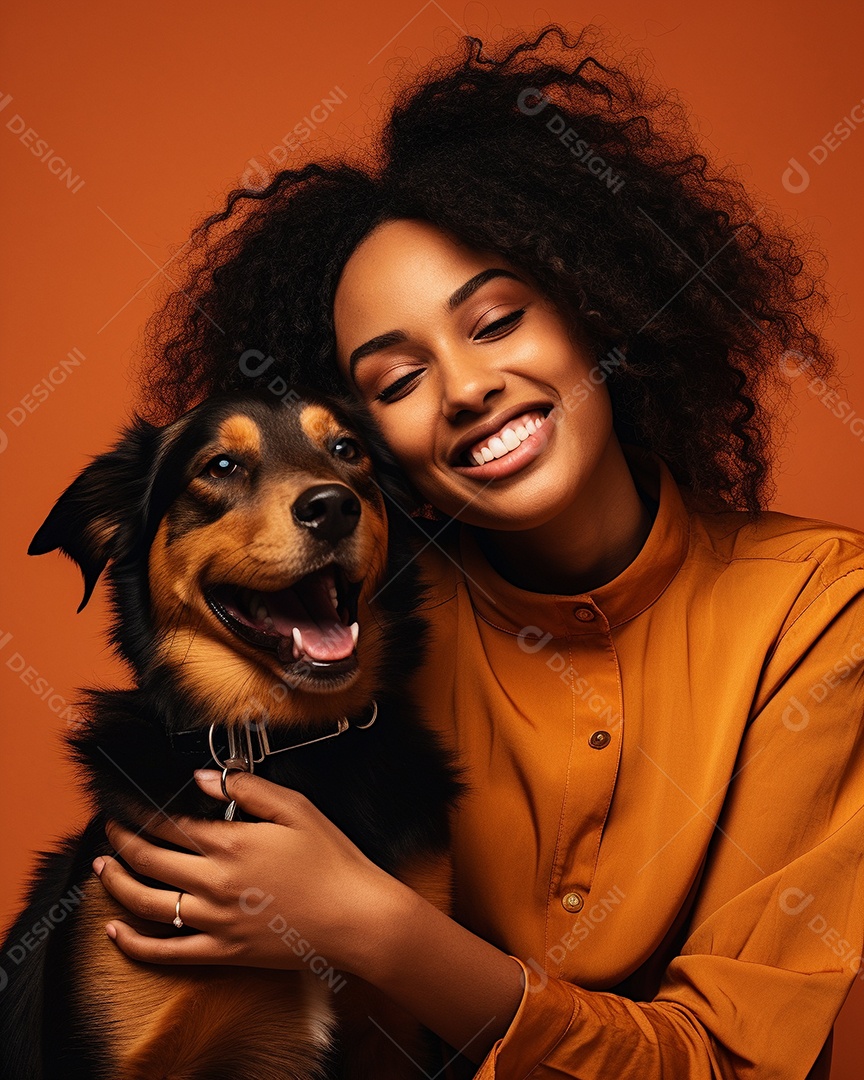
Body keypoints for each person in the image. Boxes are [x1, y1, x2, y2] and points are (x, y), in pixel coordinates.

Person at [92, 25, 864, 1078]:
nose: (463, 389)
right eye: (397, 382)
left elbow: (734, 1065)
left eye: (496, 323)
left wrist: (377, 931)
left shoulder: (821, 614)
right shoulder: (351, 637)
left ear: (598, 305)